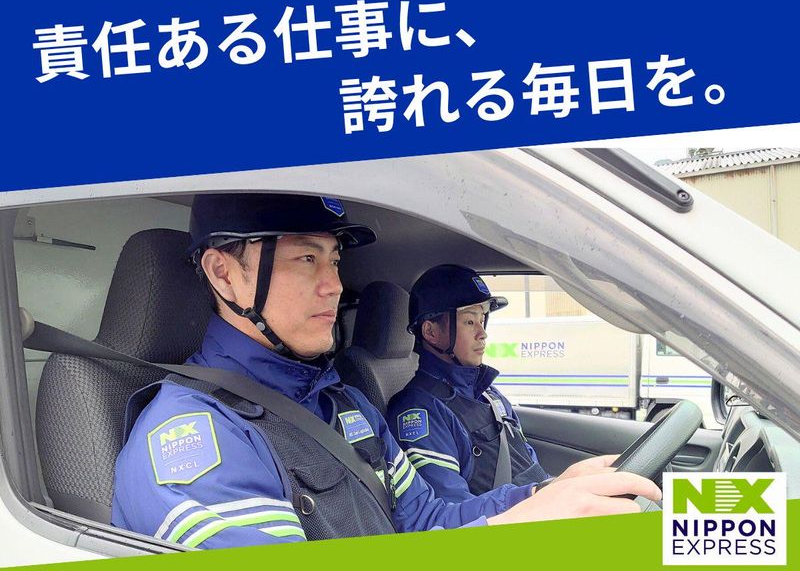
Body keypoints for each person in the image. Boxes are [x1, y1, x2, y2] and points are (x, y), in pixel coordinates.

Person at [111, 193, 661, 550]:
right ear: (224, 274)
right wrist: (506, 532)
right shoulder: (192, 440)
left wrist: (543, 497)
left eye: (335, 260)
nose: (334, 286)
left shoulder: (343, 404)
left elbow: (425, 518)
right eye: (307, 259)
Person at [388, 265, 550, 502]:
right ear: (431, 332)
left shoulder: (490, 395)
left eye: (482, 320)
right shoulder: (419, 410)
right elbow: (452, 511)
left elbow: (528, 465)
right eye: (470, 322)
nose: (482, 333)